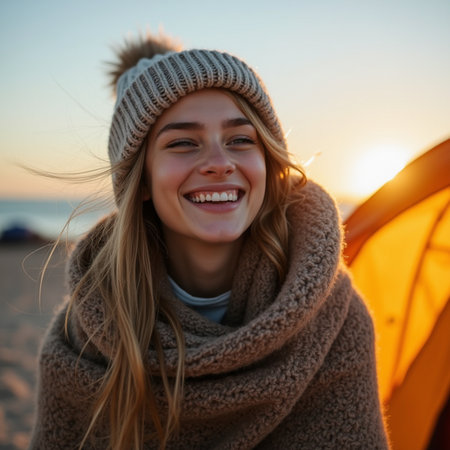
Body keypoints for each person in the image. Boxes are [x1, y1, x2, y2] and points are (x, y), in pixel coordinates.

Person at [30, 32, 389, 449]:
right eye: (183, 143)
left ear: (268, 160)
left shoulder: (334, 319)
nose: (219, 164)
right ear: (141, 179)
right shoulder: (83, 340)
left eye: (240, 139)